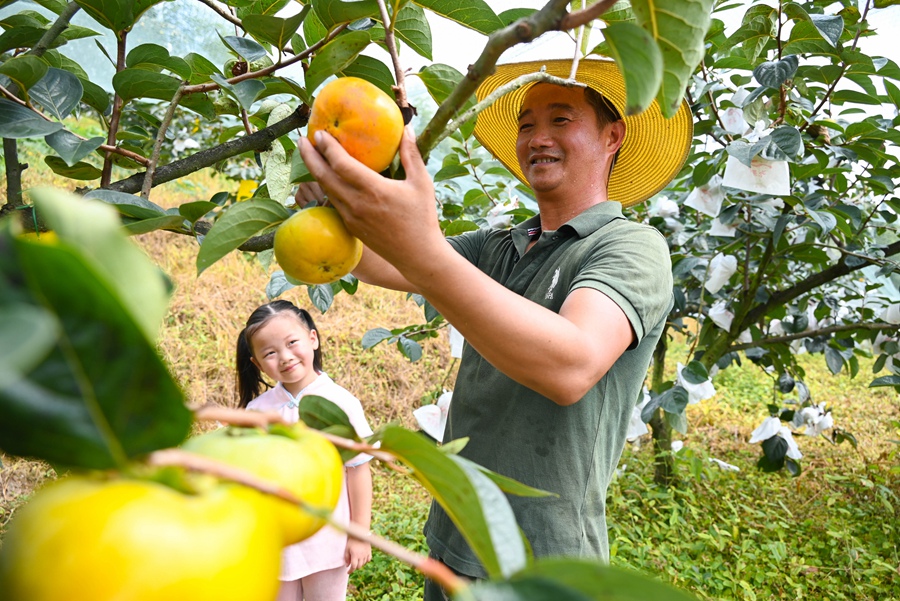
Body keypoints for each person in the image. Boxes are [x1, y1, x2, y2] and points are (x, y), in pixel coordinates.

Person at [297, 58, 692, 595]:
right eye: (526, 124)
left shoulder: (628, 246)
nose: (537, 138)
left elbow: (570, 365)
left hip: (542, 556)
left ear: (612, 136)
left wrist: (425, 248)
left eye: (560, 120)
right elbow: (378, 258)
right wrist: (345, 194)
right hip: (454, 538)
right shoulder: (498, 246)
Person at [235, 300, 373, 601]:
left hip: (328, 540)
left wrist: (359, 534)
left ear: (313, 339)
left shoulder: (340, 403)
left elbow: (358, 469)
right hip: (277, 542)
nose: (284, 357)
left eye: (292, 343)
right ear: (257, 363)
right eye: (270, 353)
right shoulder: (257, 411)